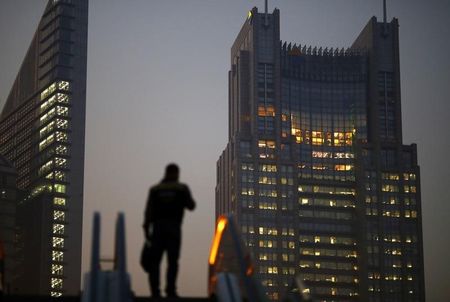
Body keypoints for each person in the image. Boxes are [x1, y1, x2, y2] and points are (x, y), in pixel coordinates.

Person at [143, 163, 196, 299]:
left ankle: (155, 292)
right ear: (176, 173)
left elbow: (148, 212)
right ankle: (170, 291)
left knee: (155, 261)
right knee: (172, 261)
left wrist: (146, 231)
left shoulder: (155, 189)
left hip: (157, 229)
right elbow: (191, 205)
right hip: (174, 229)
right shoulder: (181, 188)